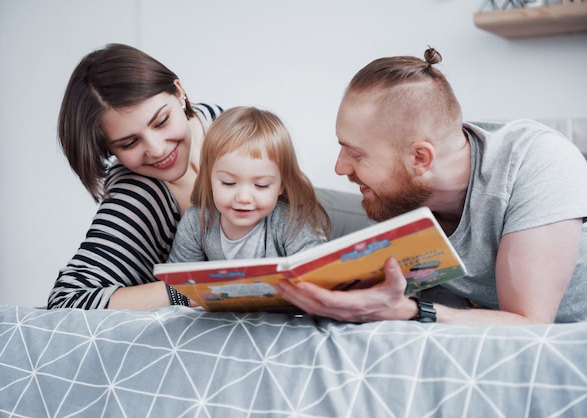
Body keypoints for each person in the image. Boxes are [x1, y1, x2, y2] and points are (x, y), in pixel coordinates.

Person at [276, 47, 587, 324]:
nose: (340, 167)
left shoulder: (538, 161)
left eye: (356, 154)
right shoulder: (403, 195)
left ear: (420, 158)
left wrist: (410, 311)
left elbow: (530, 324)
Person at [48, 43, 369, 311]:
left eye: (161, 121)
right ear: (111, 149)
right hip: (274, 265)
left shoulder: (216, 121)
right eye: (129, 143)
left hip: (302, 213)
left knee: (409, 219)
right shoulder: (139, 198)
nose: (158, 149)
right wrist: (198, 289)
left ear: (179, 92)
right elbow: (66, 302)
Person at [168, 106, 330, 265]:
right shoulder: (196, 223)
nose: (244, 198)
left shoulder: (289, 222)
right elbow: (172, 282)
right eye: (228, 183)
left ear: (281, 185)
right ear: (209, 180)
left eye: (261, 185)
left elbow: (316, 272)